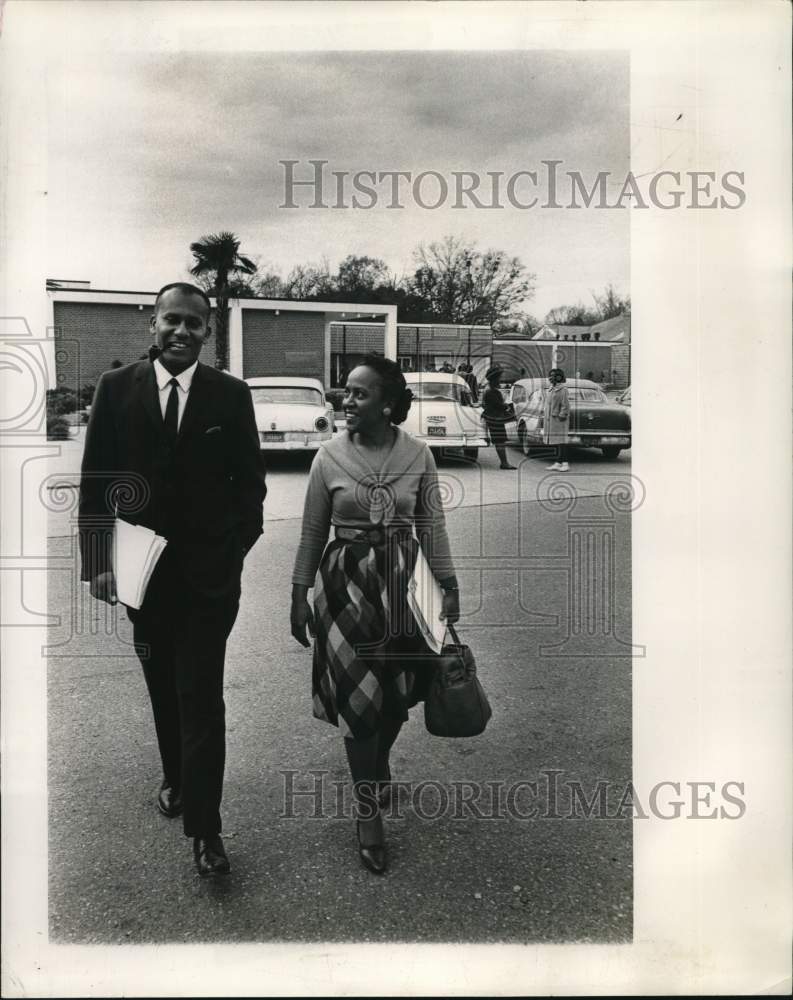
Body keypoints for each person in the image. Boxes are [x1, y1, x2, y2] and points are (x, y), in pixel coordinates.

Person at [78, 282, 267, 877]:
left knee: (201, 697)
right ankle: (176, 778)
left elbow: (252, 489)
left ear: (208, 332)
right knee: (162, 684)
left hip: (210, 582)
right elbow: (96, 482)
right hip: (141, 575)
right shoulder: (116, 390)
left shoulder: (230, 396)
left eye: (194, 323)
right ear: (153, 326)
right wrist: (100, 562)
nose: (182, 332)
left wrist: (231, 553)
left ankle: (206, 831)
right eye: (172, 322)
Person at [290, 355, 460, 876]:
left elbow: (430, 523)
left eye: (359, 394)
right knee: (360, 701)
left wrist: (448, 586)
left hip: (406, 585)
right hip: (346, 587)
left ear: (388, 405)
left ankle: (377, 765)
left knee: (398, 694)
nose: (347, 401)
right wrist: (299, 593)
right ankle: (369, 815)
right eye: (345, 392)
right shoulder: (328, 457)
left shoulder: (419, 456)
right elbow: (312, 532)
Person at [481, 364, 516, 470]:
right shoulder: (492, 391)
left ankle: (504, 462)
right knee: (500, 441)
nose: (500, 379)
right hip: (495, 418)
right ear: (495, 378)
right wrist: (507, 406)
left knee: (499, 440)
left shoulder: (488, 389)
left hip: (492, 417)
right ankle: (504, 463)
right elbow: (498, 405)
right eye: (499, 377)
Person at [544, 367, 571, 471]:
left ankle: (565, 463)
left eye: (553, 376)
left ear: (559, 377)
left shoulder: (563, 389)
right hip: (551, 419)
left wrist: (562, 415)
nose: (550, 378)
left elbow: (566, 405)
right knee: (556, 441)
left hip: (559, 420)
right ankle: (558, 462)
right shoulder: (551, 388)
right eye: (550, 375)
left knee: (562, 441)